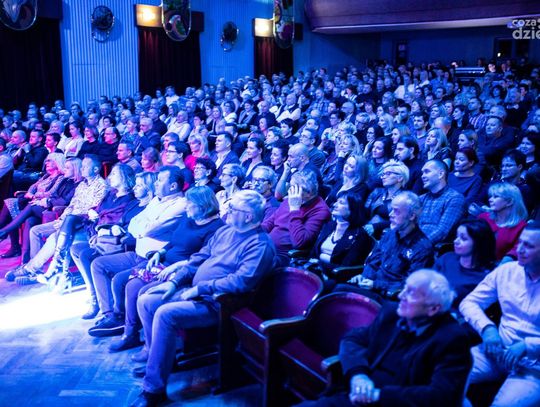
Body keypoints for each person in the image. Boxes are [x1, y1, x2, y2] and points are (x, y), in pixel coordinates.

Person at [130, 190, 276, 406]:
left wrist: (200, 289)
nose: (227, 211)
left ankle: (153, 390)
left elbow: (241, 282)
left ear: (248, 216)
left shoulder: (259, 245)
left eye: (232, 208)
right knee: (146, 301)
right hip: (196, 292)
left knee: (165, 314)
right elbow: (198, 259)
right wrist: (175, 281)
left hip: (221, 304)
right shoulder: (225, 231)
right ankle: (159, 359)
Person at [301, 269, 473, 407]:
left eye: (411, 293)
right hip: (357, 396)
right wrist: (358, 375)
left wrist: (377, 395)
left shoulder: (452, 339)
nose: (400, 296)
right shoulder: (392, 314)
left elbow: (441, 396)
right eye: (404, 288)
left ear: (433, 309)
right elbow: (353, 339)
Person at [108, 186, 224, 353]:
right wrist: (160, 252)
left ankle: (152, 345)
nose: (186, 206)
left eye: (189, 203)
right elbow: (173, 242)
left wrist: (177, 265)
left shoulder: (216, 228)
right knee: (130, 284)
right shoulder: (189, 219)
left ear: (202, 205)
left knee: (144, 292)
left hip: (181, 271)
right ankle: (130, 334)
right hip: (163, 262)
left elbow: (204, 259)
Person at [87, 166, 187, 337]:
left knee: (119, 280)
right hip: (136, 253)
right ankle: (109, 314)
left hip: (153, 258)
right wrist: (144, 226)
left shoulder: (180, 205)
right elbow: (134, 223)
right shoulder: (156, 200)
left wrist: (144, 226)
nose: (156, 184)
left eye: (160, 180)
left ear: (173, 186)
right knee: (98, 264)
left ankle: (122, 321)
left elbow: (149, 229)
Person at [459, 222, 540, 407]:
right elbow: (469, 302)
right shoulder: (507, 271)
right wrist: (487, 329)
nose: (520, 249)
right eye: (520, 242)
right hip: (496, 352)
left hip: (533, 367)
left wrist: (528, 345)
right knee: (443, 372)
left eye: (529, 246)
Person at [7, 155, 107, 285]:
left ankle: (30, 269)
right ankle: (34, 270)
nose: (82, 168)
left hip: (81, 224)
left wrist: (66, 220)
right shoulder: (82, 185)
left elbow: (93, 211)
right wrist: (62, 218)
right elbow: (72, 205)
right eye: (81, 166)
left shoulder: (101, 186)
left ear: (95, 169)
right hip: (66, 220)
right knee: (35, 230)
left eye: (85, 166)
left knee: (54, 237)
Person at [71, 171, 156, 319]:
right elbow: (119, 223)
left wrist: (114, 232)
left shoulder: (148, 206)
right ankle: (95, 296)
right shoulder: (134, 204)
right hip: (114, 240)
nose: (134, 188)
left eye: (139, 186)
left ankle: (106, 310)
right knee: (75, 248)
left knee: (88, 256)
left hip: (126, 246)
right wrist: (104, 232)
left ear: (149, 188)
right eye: (135, 185)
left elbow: (135, 233)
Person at [343, 192, 433, 301]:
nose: (390, 214)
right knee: (335, 288)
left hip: (388, 297)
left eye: (396, 211)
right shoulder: (390, 234)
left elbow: (411, 285)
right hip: (370, 288)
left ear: (411, 216)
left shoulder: (423, 248)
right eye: (391, 210)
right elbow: (374, 261)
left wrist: (376, 285)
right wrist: (364, 277)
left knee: (340, 292)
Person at [0, 153, 66, 258]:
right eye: (46, 160)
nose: (46, 162)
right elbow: (33, 186)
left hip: (44, 206)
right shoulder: (46, 176)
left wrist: (35, 195)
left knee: (14, 206)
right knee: (10, 204)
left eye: (50, 160)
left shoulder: (61, 177)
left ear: (58, 162)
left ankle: (5, 234)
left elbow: (51, 193)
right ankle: (15, 248)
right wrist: (31, 193)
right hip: (33, 203)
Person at [262, 170, 331, 268]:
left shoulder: (320, 210)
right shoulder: (291, 198)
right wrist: (253, 231)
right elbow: (271, 221)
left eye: (294, 188)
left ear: (308, 193)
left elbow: (299, 242)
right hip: (267, 246)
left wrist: (295, 209)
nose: (290, 190)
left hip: (284, 255)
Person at [434, 219, 496, 306]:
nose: (455, 241)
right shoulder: (447, 258)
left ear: (478, 243)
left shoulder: (486, 277)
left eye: (463, 238)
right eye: (457, 236)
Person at [311, 192, 373, 277]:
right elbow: (314, 252)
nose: (334, 205)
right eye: (336, 201)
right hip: (315, 269)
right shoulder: (329, 225)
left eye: (341, 202)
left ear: (352, 209)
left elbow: (347, 267)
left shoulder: (359, 235)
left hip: (335, 276)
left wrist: (319, 264)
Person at [477, 182, 528, 262]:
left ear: (509, 202)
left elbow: (516, 251)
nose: (490, 200)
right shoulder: (483, 217)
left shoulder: (522, 227)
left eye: (496, 196)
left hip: (502, 266)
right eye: (490, 196)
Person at [419, 159, 466, 245]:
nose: (422, 176)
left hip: (431, 247)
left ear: (440, 174)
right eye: (422, 173)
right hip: (413, 243)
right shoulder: (421, 198)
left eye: (427, 172)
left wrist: (417, 245)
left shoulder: (455, 198)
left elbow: (442, 231)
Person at [364, 160, 409, 238]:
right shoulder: (376, 192)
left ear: (400, 178)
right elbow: (364, 212)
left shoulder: (405, 198)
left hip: (390, 236)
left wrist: (376, 226)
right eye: (383, 174)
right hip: (367, 231)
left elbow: (402, 221)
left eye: (388, 173)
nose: (383, 177)